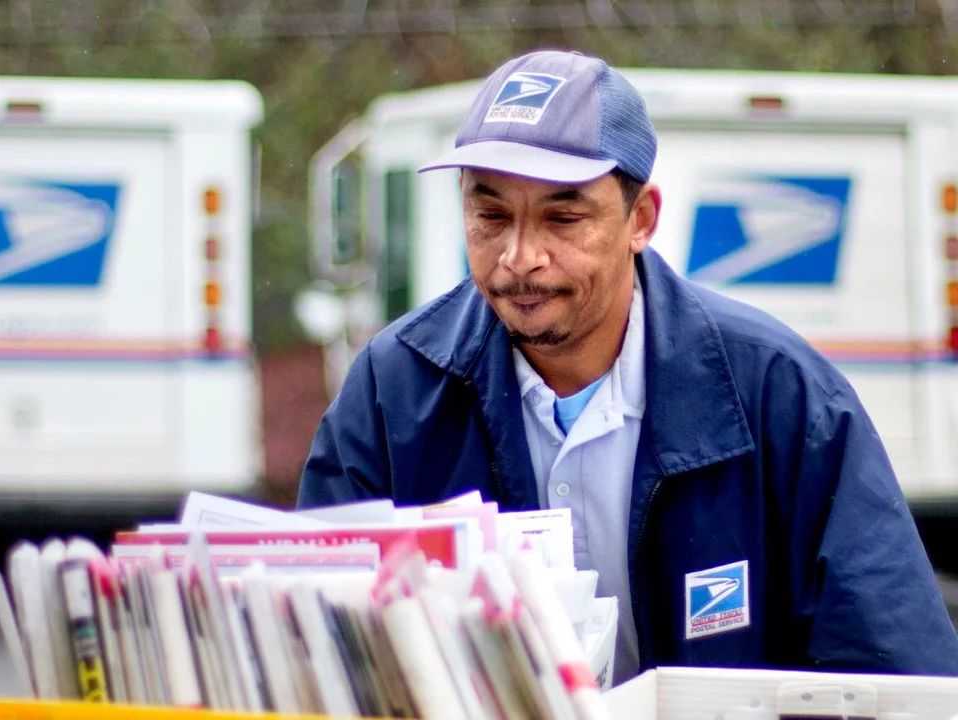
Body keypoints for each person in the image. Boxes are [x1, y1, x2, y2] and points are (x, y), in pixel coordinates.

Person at [298, 49, 958, 684]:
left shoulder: (777, 392)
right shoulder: (395, 390)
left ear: (640, 220)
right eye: (490, 215)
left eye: (562, 216)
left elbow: (897, 668)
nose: (520, 256)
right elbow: (318, 650)